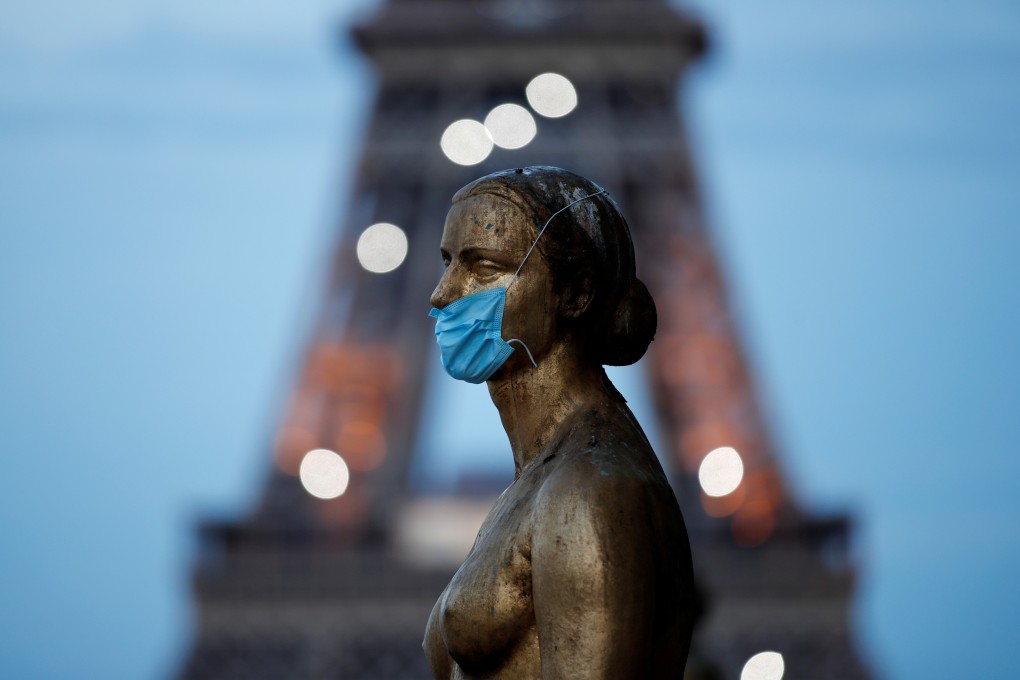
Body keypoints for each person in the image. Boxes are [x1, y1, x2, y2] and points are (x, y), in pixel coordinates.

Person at [424, 166, 695, 679]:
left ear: (575, 294)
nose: (442, 293)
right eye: (447, 262)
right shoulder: (540, 479)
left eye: (481, 267)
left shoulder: (590, 491)